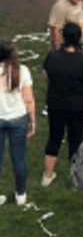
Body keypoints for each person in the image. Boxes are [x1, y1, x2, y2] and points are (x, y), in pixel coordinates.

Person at [42, 22, 83, 186]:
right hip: (77, 106)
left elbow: (45, 75)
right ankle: (75, 175)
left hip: (56, 104)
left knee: (54, 138)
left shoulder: (52, 56)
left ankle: (48, 175)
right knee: (76, 139)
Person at [0, 41, 35, 206]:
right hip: (19, 119)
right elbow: (28, 99)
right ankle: (21, 195)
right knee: (19, 158)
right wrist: (33, 120)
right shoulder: (22, 71)